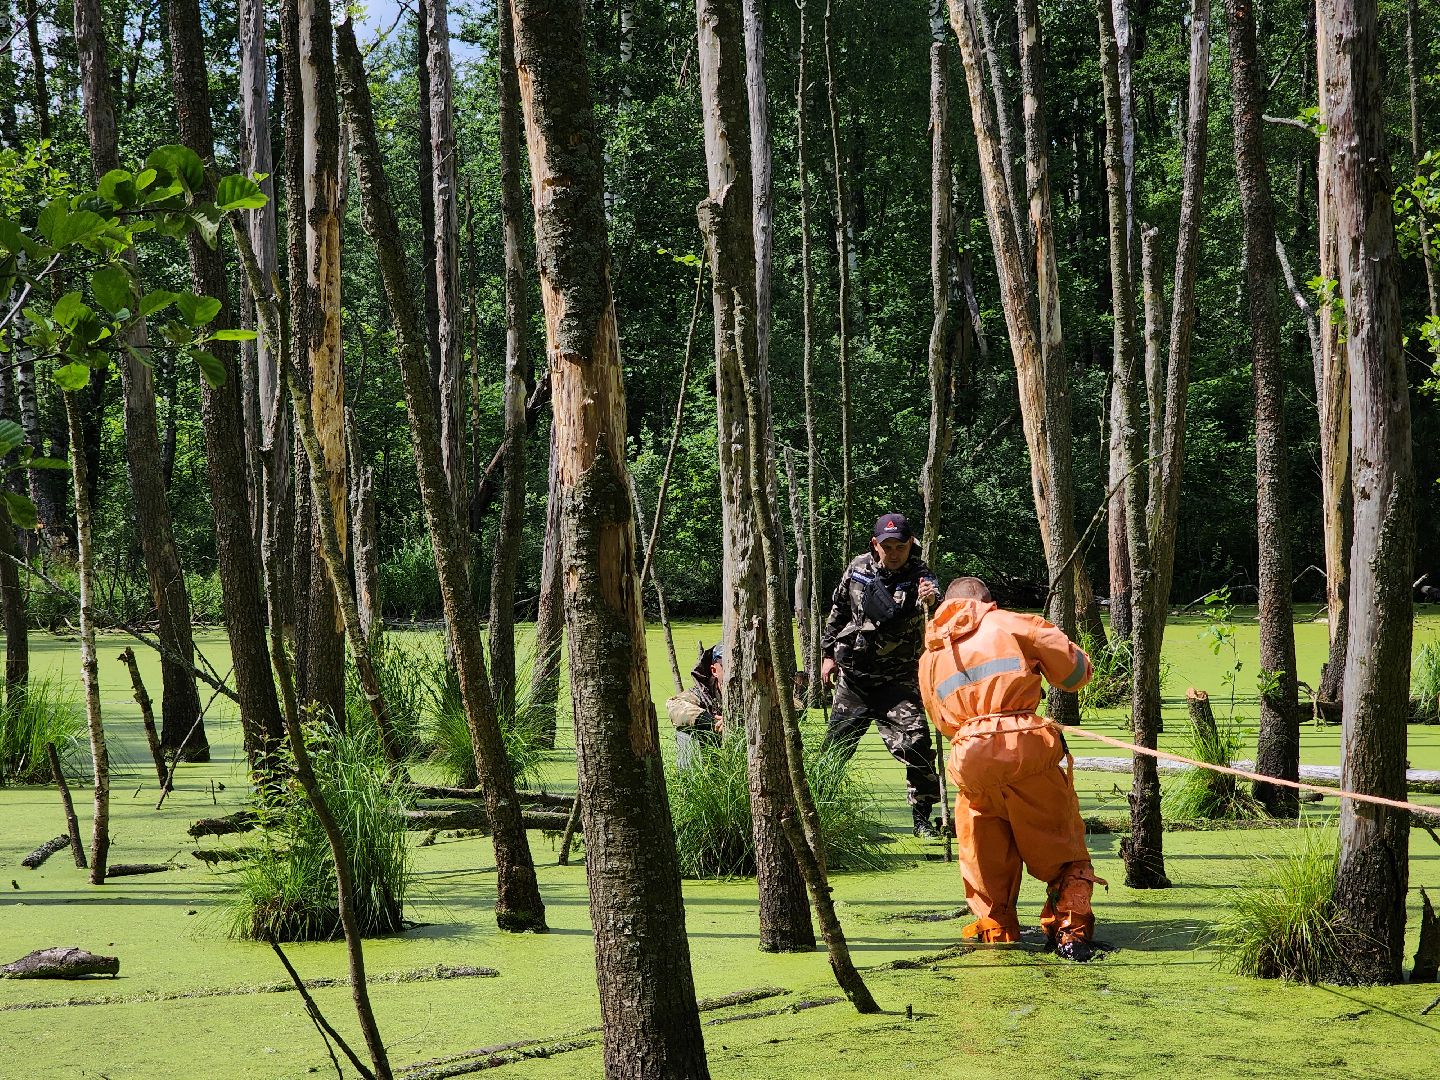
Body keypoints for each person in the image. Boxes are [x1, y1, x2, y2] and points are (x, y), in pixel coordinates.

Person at [919, 576, 1104, 961]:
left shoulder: (930, 654)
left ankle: (997, 931)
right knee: (1063, 850)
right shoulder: (1009, 622)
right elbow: (1073, 675)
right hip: (1027, 751)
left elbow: (942, 722)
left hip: (970, 762)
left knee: (985, 859)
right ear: (989, 602)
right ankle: (1071, 935)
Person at [820, 512, 943, 838]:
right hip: (855, 679)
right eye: (886, 546)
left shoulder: (920, 575)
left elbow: (938, 605)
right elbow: (838, 611)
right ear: (876, 545)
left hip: (898, 681)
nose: (894, 552)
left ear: (909, 544)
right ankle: (820, 813)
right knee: (834, 751)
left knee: (917, 743)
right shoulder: (858, 569)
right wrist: (828, 655)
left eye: (900, 546)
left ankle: (922, 818)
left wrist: (932, 599)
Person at [666, 642, 725, 770]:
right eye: (727, 665)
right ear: (714, 670)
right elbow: (673, 705)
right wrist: (711, 722)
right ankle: (692, 784)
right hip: (712, 757)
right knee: (686, 729)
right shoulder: (703, 692)